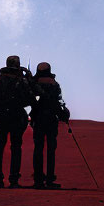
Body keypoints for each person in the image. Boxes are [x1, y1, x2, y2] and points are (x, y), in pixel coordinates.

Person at [0, 55, 34, 188]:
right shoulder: (22, 82)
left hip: (1, 117)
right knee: (16, 147)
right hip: (17, 117)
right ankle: (14, 180)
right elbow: (30, 99)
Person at [30, 61, 70, 189]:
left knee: (38, 149)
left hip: (38, 119)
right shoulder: (54, 84)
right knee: (50, 150)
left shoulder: (34, 83)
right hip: (51, 120)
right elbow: (59, 100)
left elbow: (31, 100)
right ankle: (50, 180)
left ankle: (38, 180)